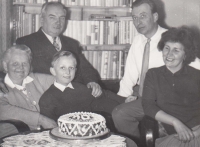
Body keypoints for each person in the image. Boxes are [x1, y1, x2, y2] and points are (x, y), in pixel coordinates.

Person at [112, 0, 200, 142]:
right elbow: (129, 76)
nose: (138, 22)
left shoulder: (170, 39)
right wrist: (123, 98)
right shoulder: (138, 40)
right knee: (119, 112)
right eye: (134, 17)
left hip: (164, 98)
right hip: (144, 96)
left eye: (142, 16)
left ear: (155, 17)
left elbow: (193, 66)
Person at [15, 1, 102, 97]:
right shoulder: (26, 42)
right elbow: (13, 71)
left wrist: (92, 81)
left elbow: (86, 68)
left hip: (75, 94)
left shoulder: (72, 44)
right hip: (44, 97)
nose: (58, 22)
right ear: (42, 19)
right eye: (52, 17)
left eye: (62, 18)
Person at [142, 26, 200, 147]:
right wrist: (176, 122)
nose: (169, 54)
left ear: (185, 55)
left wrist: (194, 134)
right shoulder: (153, 74)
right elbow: (148, 106)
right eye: (166, 48)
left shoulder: (197, 76)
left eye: (176, 50)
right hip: (171, 135)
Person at [39, 51, 126, 121]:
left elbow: (104, 94)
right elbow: (49, 127)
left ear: (75, 70)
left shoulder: (80, 88)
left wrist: (124, 100)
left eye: (71, 68)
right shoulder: (47, 99)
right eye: (62, 68)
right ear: (53, 71)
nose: (67, 72)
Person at [0, 45, 57, 138]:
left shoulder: (36, 79)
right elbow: (2, 110)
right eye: (15, 64)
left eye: (24, 63)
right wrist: (40, 119)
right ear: (5, 66)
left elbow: (62, 82)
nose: (21, 67)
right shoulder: (1, 87)